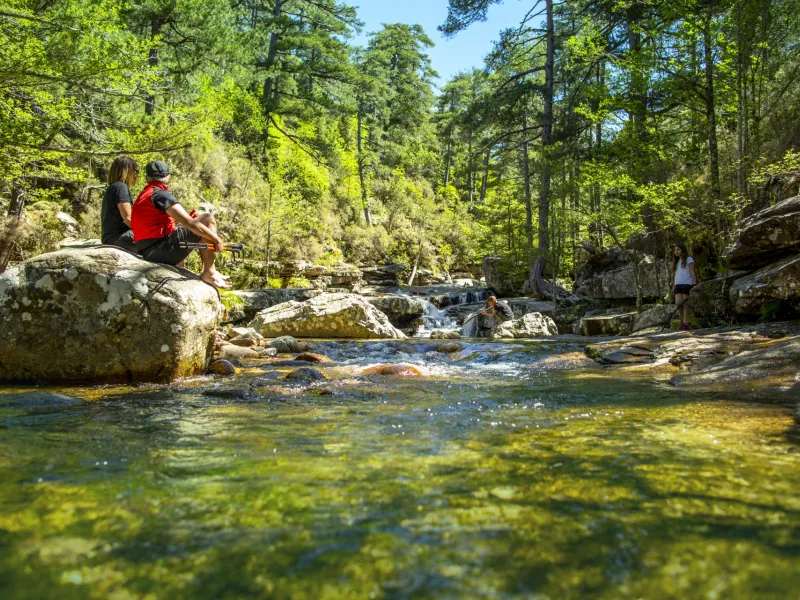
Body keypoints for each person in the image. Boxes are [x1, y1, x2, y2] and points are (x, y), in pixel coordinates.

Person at [131, 160, 230, 289]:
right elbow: (189, 222)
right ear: (168, 177)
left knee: (196, 227)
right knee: (207, 219)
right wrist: (216, 240)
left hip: (148, 251)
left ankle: (203, 272)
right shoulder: (161, 195)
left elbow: (157, 224)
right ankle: (209, 272)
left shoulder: (145, 194)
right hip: (159, 251)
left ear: (147, 178)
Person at [101, 156, 139, 252]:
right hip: (119, 238)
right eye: (136, 171)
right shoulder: (121, 187)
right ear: (126, 171)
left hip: (110, 238)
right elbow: (128, 218)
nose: (136, 175)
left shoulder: (112, 188)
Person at [671, 242, 697, 331]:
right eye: (675, 250)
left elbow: (692, 272)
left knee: (685, 303)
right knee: (678, 303)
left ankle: (685, 323)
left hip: (687, 284)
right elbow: (676, 274)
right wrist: (673, 286)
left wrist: (694, 284)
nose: (676, 252)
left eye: (678, 249)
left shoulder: (689, 259)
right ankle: (685, 321)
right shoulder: (677, 261)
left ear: (683, 249)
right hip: (678, 284)